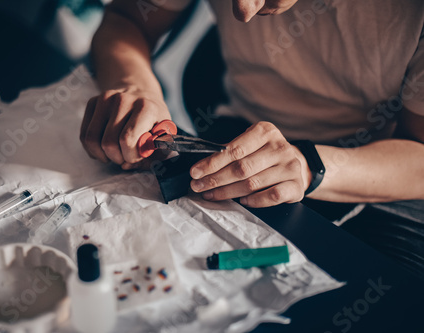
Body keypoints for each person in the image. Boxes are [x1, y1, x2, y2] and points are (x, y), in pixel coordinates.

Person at [80, 0, 424, 278]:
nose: (243, 11)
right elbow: (127, 19)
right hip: (239, 130)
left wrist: (310, 167)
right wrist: (136, 86)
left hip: (378, 167)